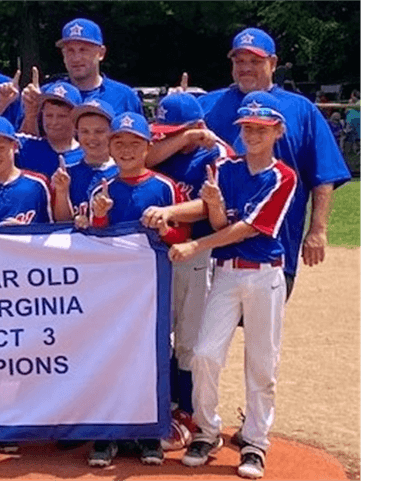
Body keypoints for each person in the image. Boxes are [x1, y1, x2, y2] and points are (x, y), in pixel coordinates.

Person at [144, 91, 298, 479]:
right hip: (227, 273)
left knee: (262, 363)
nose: (251, 135)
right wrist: (197, 206)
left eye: (260, 129)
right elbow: (215, 218)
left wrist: (196, 243)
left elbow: (248, 228)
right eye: (246, 127)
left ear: (277, 131)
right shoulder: (228, 168)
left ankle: (255, 442)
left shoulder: (283, 176)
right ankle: (207, 430)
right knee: (206, 355)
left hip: (264, 274)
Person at [196, 27, 351, 303]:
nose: (245, 68)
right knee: (203, 335)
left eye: (255, 61)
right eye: (239, 61)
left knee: (261, 335)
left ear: (273, 63)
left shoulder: (300, 109)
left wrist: (318, 230)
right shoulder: (207, 105)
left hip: (275, 243)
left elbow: (323, 174)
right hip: (210, 241)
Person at [85, 112, 188, 467]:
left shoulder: (163, 186)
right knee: (109, 355)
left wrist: (164, 228)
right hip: (112, 291)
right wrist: (99, 217)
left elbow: (181, 237)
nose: (127, 149)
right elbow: (92, 242)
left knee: (153, 356)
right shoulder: (103, 188)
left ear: (148, 147)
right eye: (120, 143)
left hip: (151, 289)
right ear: (111, 147)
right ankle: (106, 434)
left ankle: (149, 431)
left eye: (134, 143)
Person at [144, 92, 236, 451]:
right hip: (158, 254)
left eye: (174, 132)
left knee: (189, 339)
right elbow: (145, 157)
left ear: (200, 127)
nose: (165, 138)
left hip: (198, 254)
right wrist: (181, 137)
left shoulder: (215, 155)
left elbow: (211, 205)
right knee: (158, 335)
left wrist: (170, 212)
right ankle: (165, 405)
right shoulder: (166, 150)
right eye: (164, 132)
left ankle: (189, 412)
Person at [0, 116, 53, 227]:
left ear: (14, 146)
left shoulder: (38, 184)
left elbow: (55, 231)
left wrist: (22, 233)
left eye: (0, 148)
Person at [50, 99, 118, 225]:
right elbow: (61, 222)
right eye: (84, 131)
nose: (91, 137)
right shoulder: (68, 173)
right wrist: (62, 192)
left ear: (112, 133)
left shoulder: (121, 172)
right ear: (77, 134)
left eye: (99, 131)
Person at [55, 18, 143, 115]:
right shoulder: (52, 94)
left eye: (83, 50)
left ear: (101, 53)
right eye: (70, 51)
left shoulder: (124, 96)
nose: (76, 58)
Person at [17, 80, 86, 179]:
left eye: (62, 116)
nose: (54, 122)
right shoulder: (26, 146)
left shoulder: (85, 155)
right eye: (49, 115)